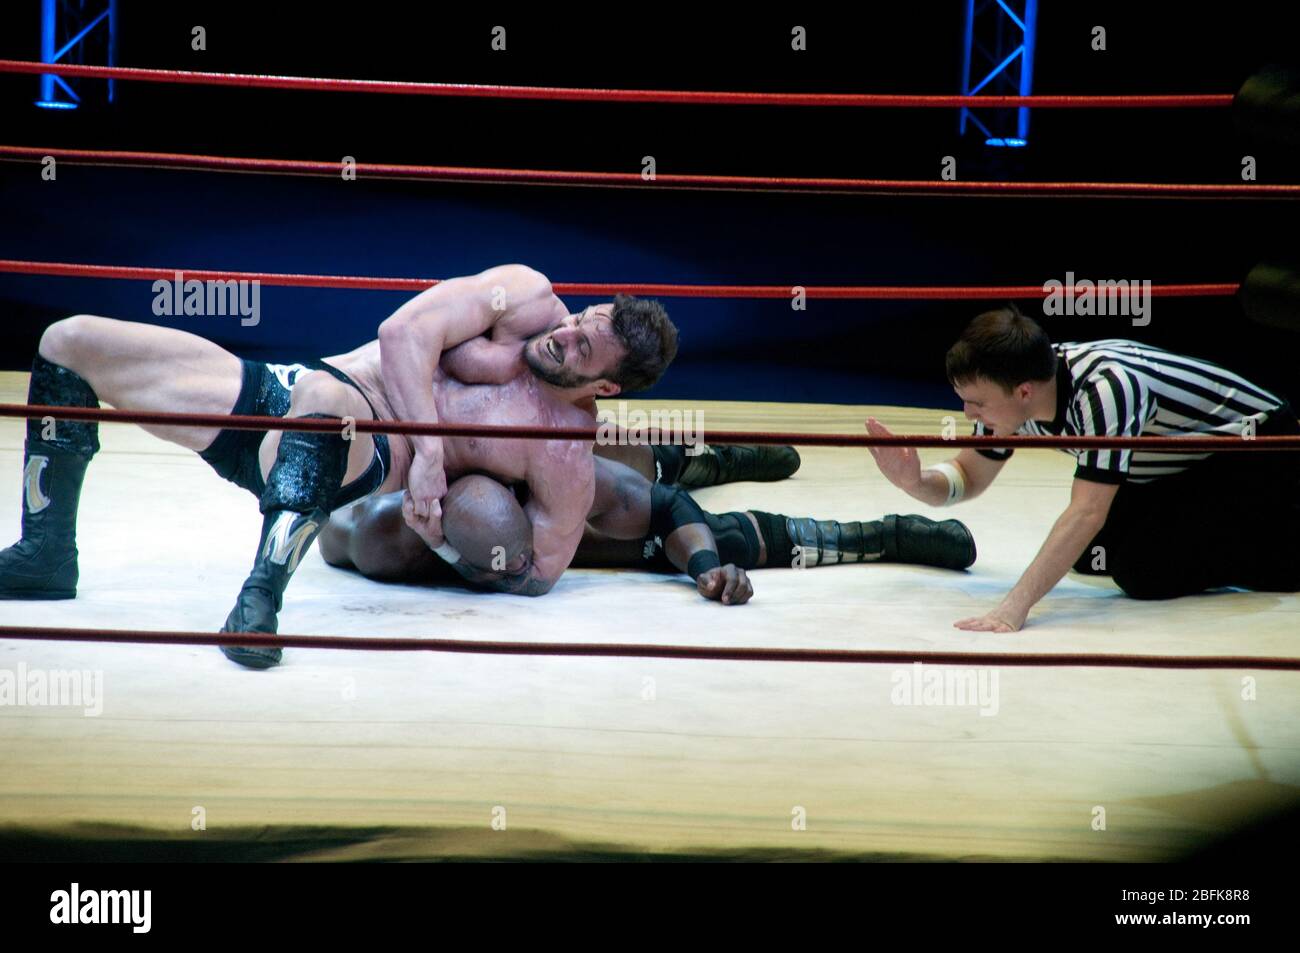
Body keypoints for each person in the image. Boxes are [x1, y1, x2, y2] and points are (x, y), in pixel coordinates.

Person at [0, 266, 678, 664]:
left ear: (606, 388)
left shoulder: (563, 453)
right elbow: (403, 332)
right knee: (68, 340)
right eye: (579, 320)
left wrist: (442, 537)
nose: (563, 336)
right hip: (280, 393)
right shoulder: (525, 297)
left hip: (360, 445)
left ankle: (260, 597)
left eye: (582, 350)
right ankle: (45, 551)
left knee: (325, 405)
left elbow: (540, 576)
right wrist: (437, 453)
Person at [866, 304, 1300, 631]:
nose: (967, 414)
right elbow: (969, 475)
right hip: (1179, 465)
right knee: (1099, 556)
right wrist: (915, 483)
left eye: (977, 403)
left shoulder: (1107, 388)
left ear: (1022, 392)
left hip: (1263, 453)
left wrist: (1014, 607)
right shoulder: (1024, 391)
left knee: (1140, 571)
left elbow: (1087, 511)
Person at [319, 455, 978, 598]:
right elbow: (322, 518)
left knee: (711, 531)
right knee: (660, 542)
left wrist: (705, 568)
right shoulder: (376, 537)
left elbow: (664, 505)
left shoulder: (546, 471)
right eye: (506, 563)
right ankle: (883, 534)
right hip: (446, 503)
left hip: (579, 465)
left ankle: (884, 533)